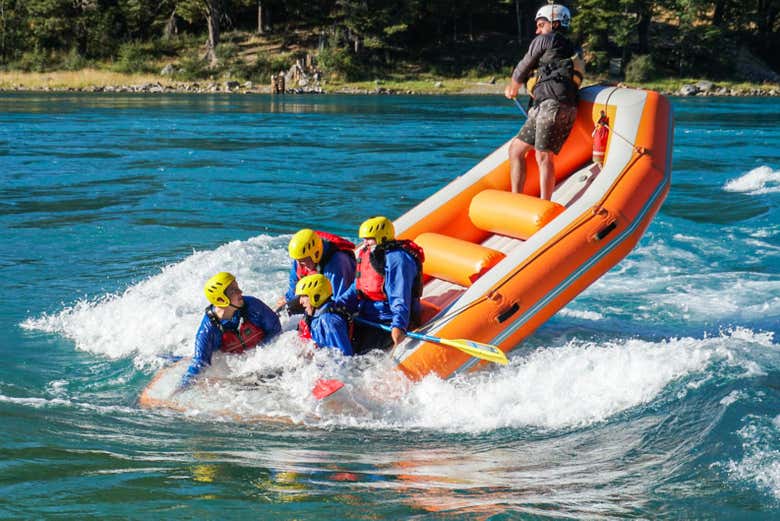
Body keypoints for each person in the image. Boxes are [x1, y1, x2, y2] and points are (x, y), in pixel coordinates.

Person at [504, 3, 584, 199]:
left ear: (554, 24)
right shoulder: (571, 47)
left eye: (541, 24)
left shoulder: (547, 39)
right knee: (516, 150)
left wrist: (513, 85)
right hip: (550, 105)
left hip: (553, 106)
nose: (537, 30)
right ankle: (516, 199)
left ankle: (544, 204)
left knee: (543, 155)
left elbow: (525, 64)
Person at [332, 216, 424, 354]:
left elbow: (400, 297)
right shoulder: (367, 253)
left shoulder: (398, 260)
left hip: (387, 320)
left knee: (358, 354)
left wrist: (399, 326)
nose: (365, 243)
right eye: (364, 239)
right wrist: (337, 306)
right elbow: (357, 287)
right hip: (366, 316)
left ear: (383, 237)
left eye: (369, 239)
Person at [179, 272, 281, 389]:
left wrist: (259, 354)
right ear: (221, 299)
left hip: (261, 360)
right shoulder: (208, 330)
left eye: (237, 287)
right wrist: (180, 389)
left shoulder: (253, 305)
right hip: (238, 368)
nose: (240, 292)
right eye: (234, 291)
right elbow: (200, 363)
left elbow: (275, 329)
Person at [279, 228, 356, 314]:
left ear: (316, 254)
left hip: (338, 303)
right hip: (316, 298)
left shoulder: (337, 263)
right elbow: (292, 291)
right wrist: (285, 304)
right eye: (298, 261)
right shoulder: (300, 259)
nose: (301, 266)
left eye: (304, 262)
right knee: (286, 310)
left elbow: (339, 302)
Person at [295, 273, 354, 356]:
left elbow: (344, 358)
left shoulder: (329, 321)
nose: (300, 302)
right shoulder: (313, 316)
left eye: (304, 296)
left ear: (316, 296)